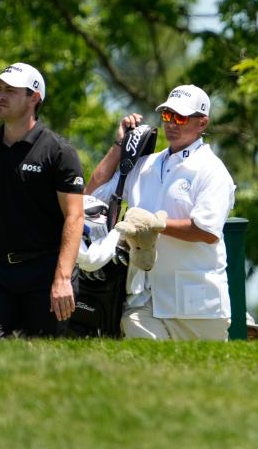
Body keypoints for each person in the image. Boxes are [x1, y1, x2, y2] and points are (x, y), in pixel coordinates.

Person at [85, 85, 236, 341]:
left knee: (204, 380)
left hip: (197, 304)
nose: (172, 124)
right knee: (145, 373)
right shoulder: (146, 164)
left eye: (181, 117)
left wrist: (154, 225)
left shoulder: (212, 169)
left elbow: (208, 231)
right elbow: (92, 194)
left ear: (202, 123)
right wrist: (119, 145)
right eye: (168, 116)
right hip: (144, 298)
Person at [0, 63, 85, 339]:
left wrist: (62, 278)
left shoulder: (59, 151)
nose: (0, 96)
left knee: (43, 360)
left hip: (47, 271)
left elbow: (75, 217)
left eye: (11, 91)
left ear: (34, 98)